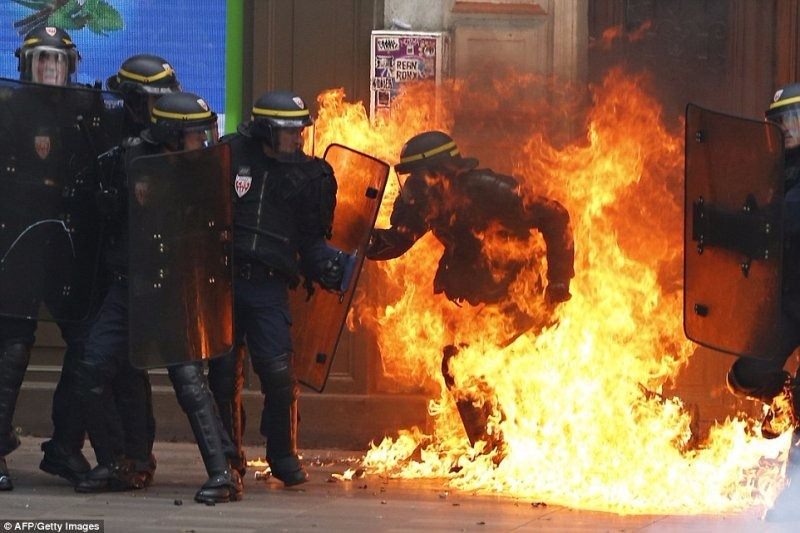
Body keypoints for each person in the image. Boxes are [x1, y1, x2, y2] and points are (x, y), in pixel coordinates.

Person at [72, 92, 243, 503]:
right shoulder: (126, 160)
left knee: (188, 381)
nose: (202, 143)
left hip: (174, 284)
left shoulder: (201, 169)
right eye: (193, 135)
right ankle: (118, 462)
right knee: (91, 368)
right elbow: (102, 216)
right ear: (170, 134)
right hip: (129, 283)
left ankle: (224, 473)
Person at [366, 130, 574, 452]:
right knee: (463, 364)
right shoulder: (429, 202)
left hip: (521, 294)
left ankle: (493, 449)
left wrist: (559, 281)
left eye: (417, 175)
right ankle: (495, 446)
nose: (411, 185)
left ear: (438, 171)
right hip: (486, 300)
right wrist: (352, 235)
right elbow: (397, 241)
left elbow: (556, 215)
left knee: (459, 362)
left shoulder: (487, 189)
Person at [210, 90, 346, 486]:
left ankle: (283, 454)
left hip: (269, 286)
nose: (298, 139)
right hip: (225, 281)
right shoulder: (228, 155)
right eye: (289, 132)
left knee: (279, 372)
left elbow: (311, 238)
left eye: (301, 130)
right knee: (221, 374)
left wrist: (329, 265)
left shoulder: (311, 176)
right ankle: (228, 457)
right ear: (267, 130)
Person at [0, 25, 99, 491]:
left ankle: (64, 446)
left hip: (67, 242)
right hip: (16, 239)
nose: (49, 68)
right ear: (26, 64)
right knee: (13, 348)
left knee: (86, 342)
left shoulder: (86, 110)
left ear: (69, 66)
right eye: (41, 59)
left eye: (56, 60)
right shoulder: (7, 108)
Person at [723, 82, 800, 522]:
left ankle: (790, 513)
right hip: (788, 302)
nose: (786, 130)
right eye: (779, 122)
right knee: (747, 374)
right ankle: (786, 398)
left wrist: (751, 225)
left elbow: (787, 220)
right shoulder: (777, 171)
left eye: (793, 120)